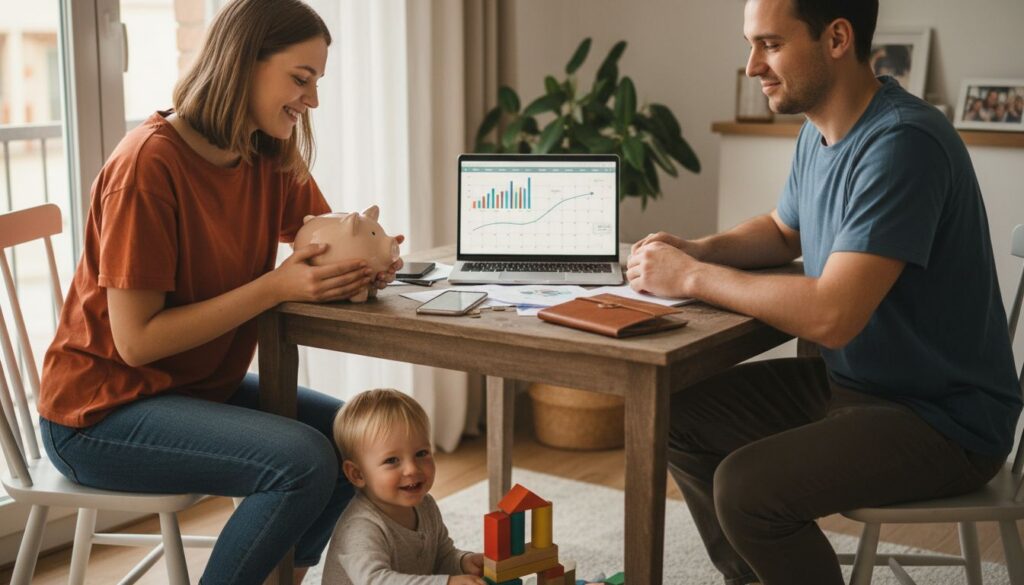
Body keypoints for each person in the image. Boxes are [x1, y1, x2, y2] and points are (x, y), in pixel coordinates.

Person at [627, 0, 1021, 584]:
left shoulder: (903, 143)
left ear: (837, 38)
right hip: (859, 386)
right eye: (751, 44)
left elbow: (834, 315)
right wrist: (698, 249)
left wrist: (689, 278)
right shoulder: (822, 130)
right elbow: (786, 229)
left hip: (943, 419)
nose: (752, 65)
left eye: (770, 44)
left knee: (746, 489)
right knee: (674, 415)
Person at [37, 1, 402, 583]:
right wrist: (275, 286)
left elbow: (324, 239)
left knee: (353, 444)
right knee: (303, 461)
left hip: (194, 390)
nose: (311, 101)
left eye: (316, 83)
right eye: (300, 79)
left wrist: (367, 263)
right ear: (242, 63)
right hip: (100, 414)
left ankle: (280, 577)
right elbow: (136, 343)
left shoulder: (265, 152)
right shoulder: (147, 168)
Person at [322, 389, 486, 585]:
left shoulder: (426, 505)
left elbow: (441, 555)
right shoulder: (360, 527)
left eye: (421, 453)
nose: (411, 469)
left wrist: (463, 562)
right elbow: (376, 581)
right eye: (392, 460)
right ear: (357, 474)